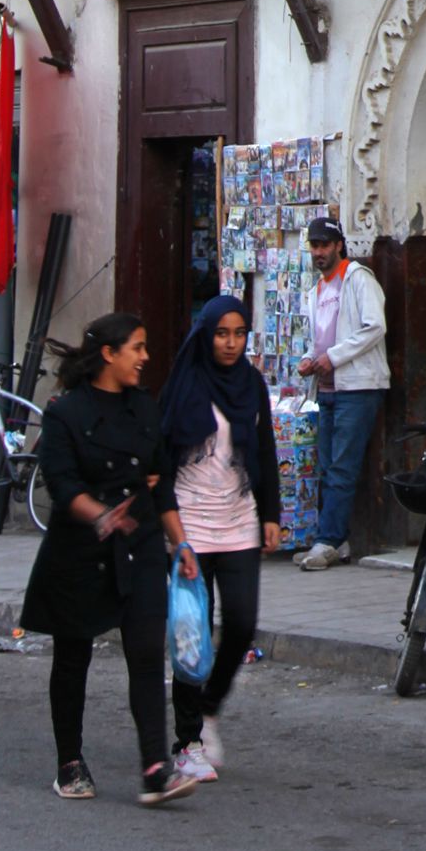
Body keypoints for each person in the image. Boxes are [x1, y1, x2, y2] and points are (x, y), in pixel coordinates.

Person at [20, 310, 201, 804]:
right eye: (137, 348)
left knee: (146, 655)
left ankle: (155, 768)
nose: (145, 357)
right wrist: (101, 516)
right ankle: (70, 762)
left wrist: (181, 543)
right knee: (72, 655)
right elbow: (62, 486)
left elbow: (161, 484)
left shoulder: (144, 410)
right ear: (109, 354)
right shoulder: (65, 414)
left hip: (138, 547)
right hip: (80, 551)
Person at [158, 293, 283, 783]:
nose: (230, 344)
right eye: (221, 333)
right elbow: (161, 461)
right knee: (191, 634)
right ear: (205, 335)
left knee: (241, 623)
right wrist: (172, 532)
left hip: (238, 522)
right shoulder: (183, 383)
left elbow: (266, 450)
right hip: (189, 524)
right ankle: (186, 741)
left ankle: (209, 706)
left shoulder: (251, 384)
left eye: (238, 334)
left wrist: (271, 513)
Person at [294, 217, 389, 569]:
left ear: (338, 246)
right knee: (327, 465)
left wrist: (331, 358)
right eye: (314, 246)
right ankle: (337, 538)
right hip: (329, 388)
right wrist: (309, 360)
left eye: (324, 245)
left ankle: (328, 540)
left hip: (358, 386)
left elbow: (374, 327)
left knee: (341, 468)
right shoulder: (315, 291)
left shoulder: (359, 280)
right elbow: (316, 340)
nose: (318, 252)